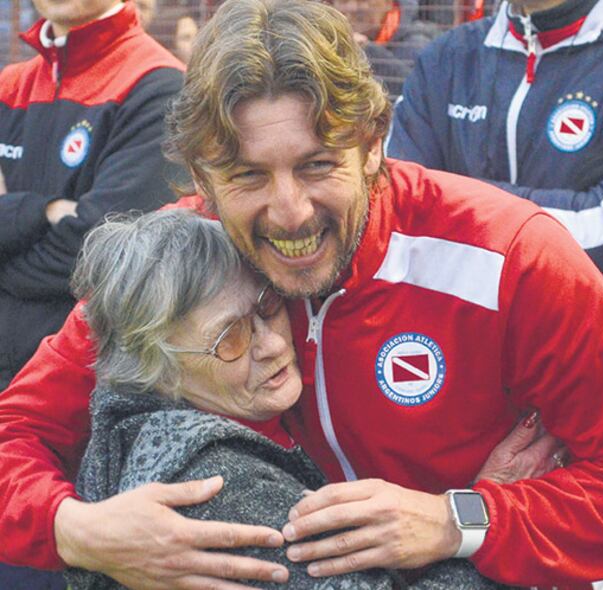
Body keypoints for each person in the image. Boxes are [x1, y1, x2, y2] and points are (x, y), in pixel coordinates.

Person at [0, 1, 603, 588]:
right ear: (202, 177)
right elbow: (13, 438)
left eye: (316, 166)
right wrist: (79, 530)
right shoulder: (177, 259)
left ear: (372, 144)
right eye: (247, 176)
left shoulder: (508, 256)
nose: (290, 213)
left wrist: (461, 520)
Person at [386, 1, 603, 585]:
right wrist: (557, 198)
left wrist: (456, 197)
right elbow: (394, 210)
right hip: (465, 409)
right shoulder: (449, 58)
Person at [65, 208, 522, 590]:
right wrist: (484, 516)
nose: (272, 345)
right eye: (231, 338)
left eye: (267, 307)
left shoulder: (138, 427)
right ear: (157, 367)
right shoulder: (217, 489)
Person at [0, 0, 182, 586]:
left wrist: (9, 220)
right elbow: (80, 240)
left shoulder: (157, 87)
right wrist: (49, 212)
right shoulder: (9, 87)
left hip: (77, 431)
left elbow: (104, 258)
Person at [329, 0, 439, 95]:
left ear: (388, 2)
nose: (352, 7)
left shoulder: (418, 43)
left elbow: (423, 95)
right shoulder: (327, 43)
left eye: (362, 0)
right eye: (343, 1)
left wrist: (367, 50)